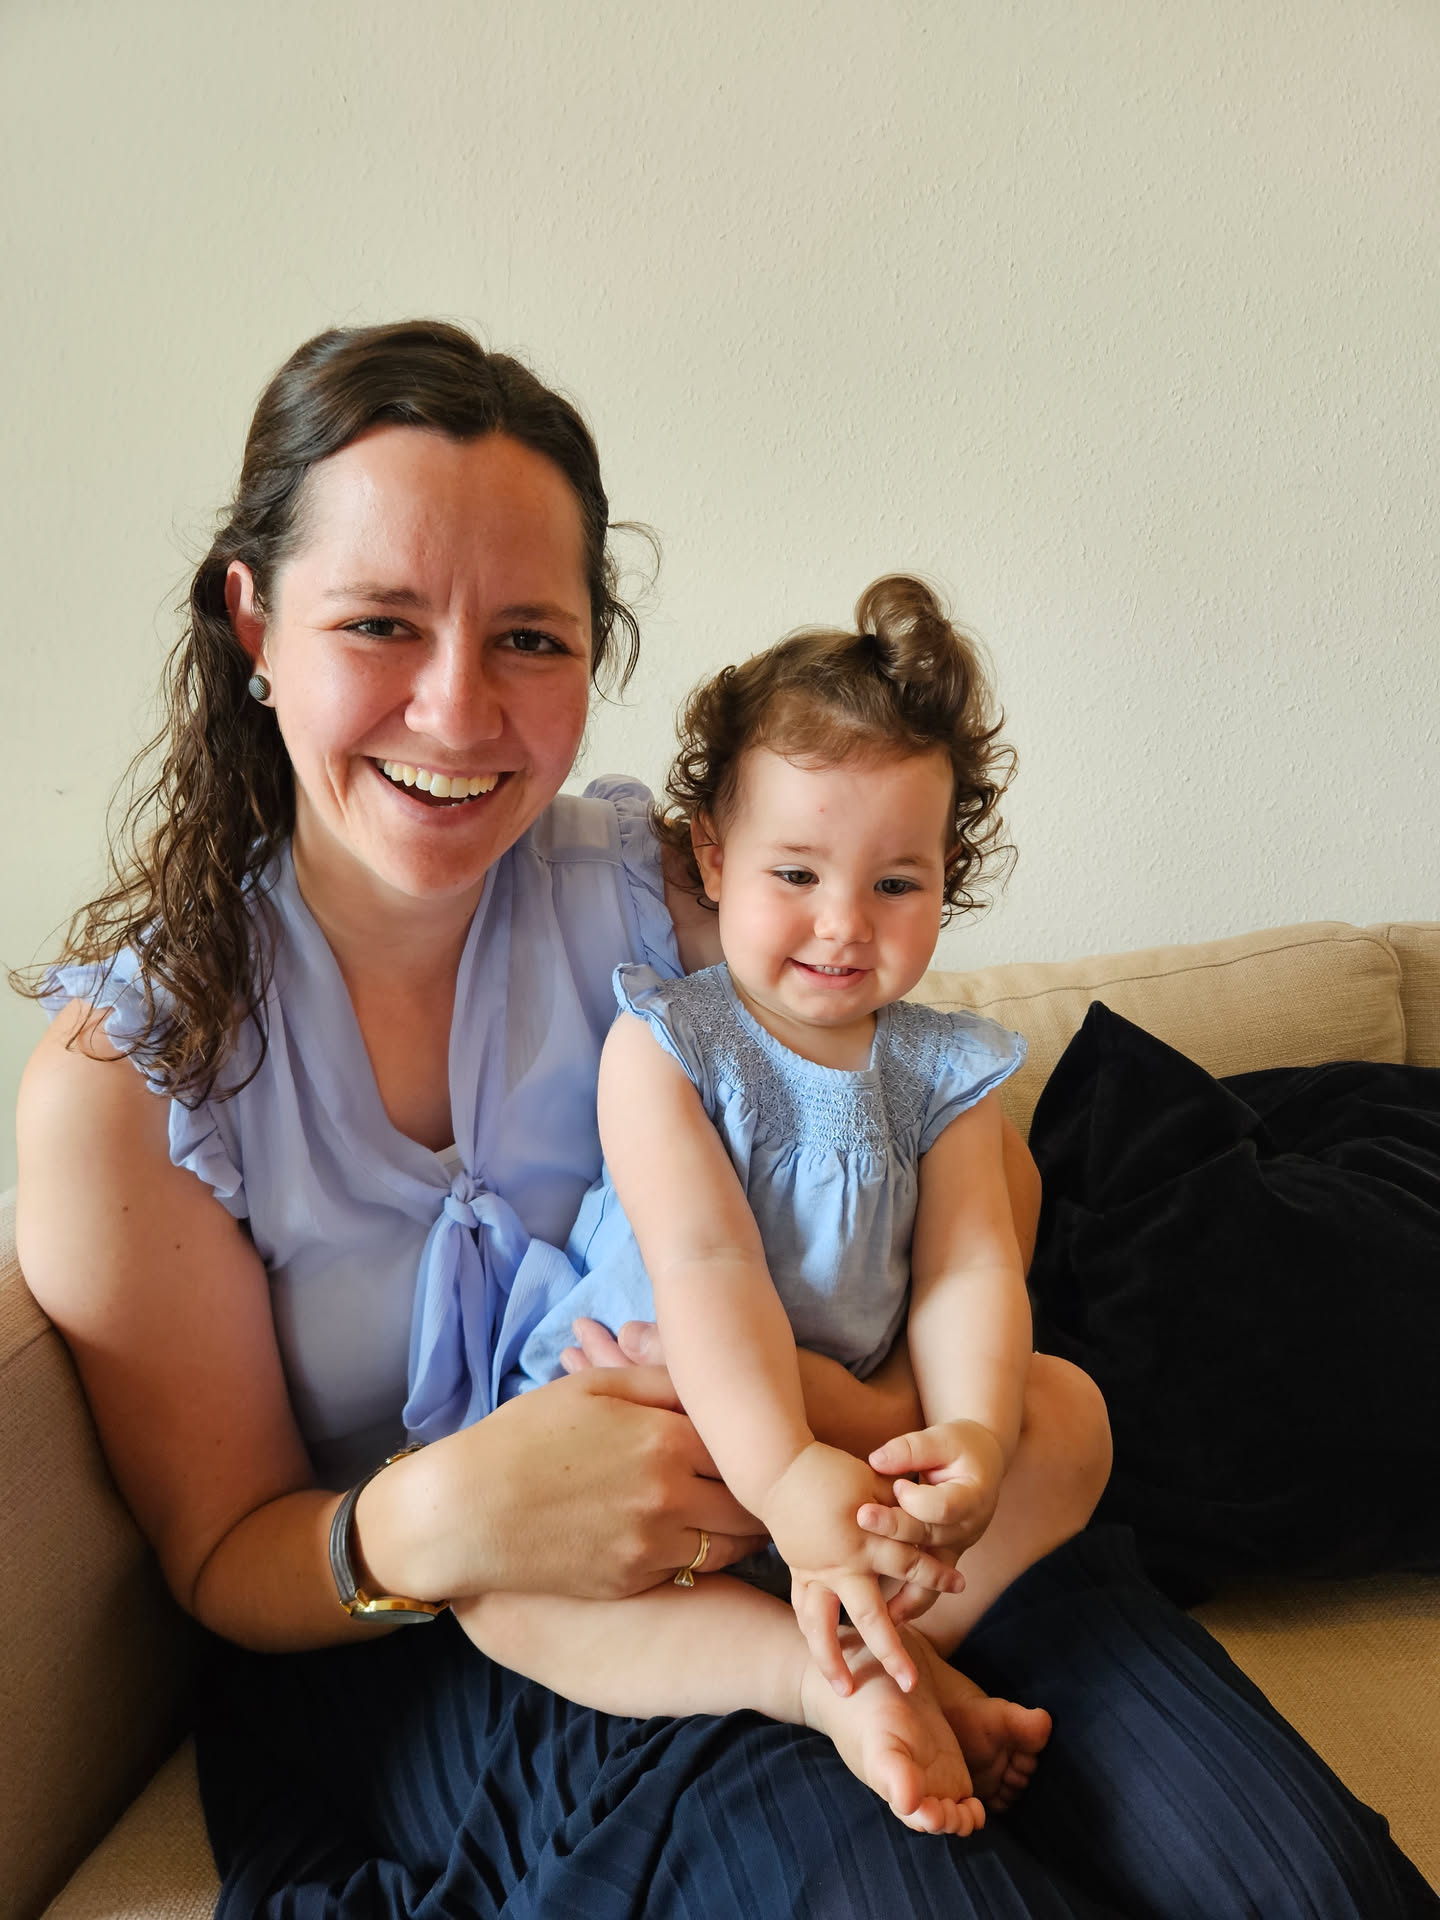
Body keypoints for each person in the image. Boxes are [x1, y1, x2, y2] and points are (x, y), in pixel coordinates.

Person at [13, 320, 1436, 1919]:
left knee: (1317, 1890)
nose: (458, 710)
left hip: (859, 1498)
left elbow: (937, 1145)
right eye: (380, 623)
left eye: (531, 639)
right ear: (255, 623)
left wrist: (870, 1425)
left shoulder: (671, 896)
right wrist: (443, 1512)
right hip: (476, 1634)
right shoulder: (133, 1082)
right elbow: (224, 1562)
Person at [415, 576, 1095, 1837]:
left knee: (1071, 1418)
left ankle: (876, 1628)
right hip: (661, 1419)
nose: (844, 925)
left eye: (897, 884)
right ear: (715, 860)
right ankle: (817, 1678)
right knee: (497, 1596)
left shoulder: (945, 1074)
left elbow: (969, 1271)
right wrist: (782, 1476)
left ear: (947, 876)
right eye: (797, 872)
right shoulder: (668, 1045)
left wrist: (974, 1439)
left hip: (854, 1452)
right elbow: (705, 1265)